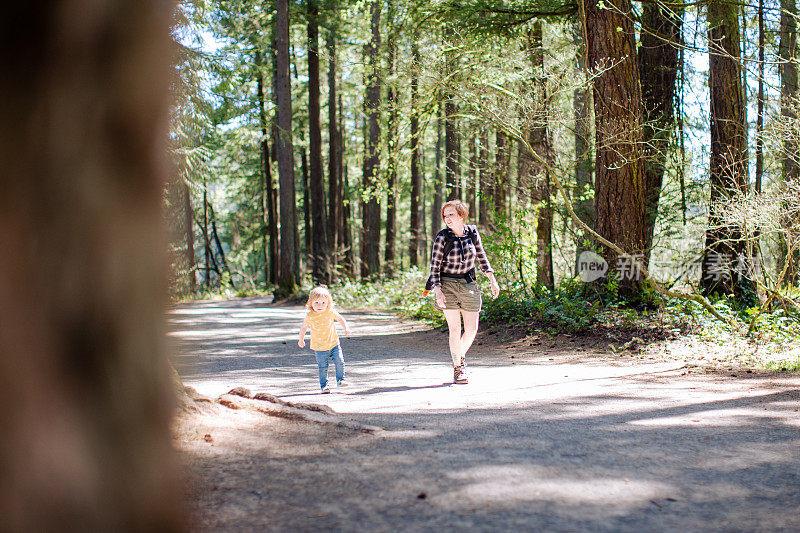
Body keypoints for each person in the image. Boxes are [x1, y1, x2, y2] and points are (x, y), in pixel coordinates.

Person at [429, 200, 500, 384]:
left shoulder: (472, 232)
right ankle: (458, 367)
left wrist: (492, 279)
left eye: (451, 215)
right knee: (455, 328)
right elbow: (434, 267)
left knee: (471, 328)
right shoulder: (442, 237)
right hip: (446, 284)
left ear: (461, 216)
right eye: (445, 216)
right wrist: (438, 291)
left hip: (469, 283)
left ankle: (458, 358)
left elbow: (482, 257)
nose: (447, 219)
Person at [298, 286, 352, 393]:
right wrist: (301, 339)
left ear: (328, 302)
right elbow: (304, 328)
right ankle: (324, 386)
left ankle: (340, 380)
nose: (320, 306)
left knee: (340, 361)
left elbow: (340, 319)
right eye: (316, 303)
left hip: (334, 343)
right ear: (311, 303)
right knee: (323, 367)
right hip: (319, 347)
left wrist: (346, 328)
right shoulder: (310, 315)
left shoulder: (330, 312)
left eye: (323, 303)